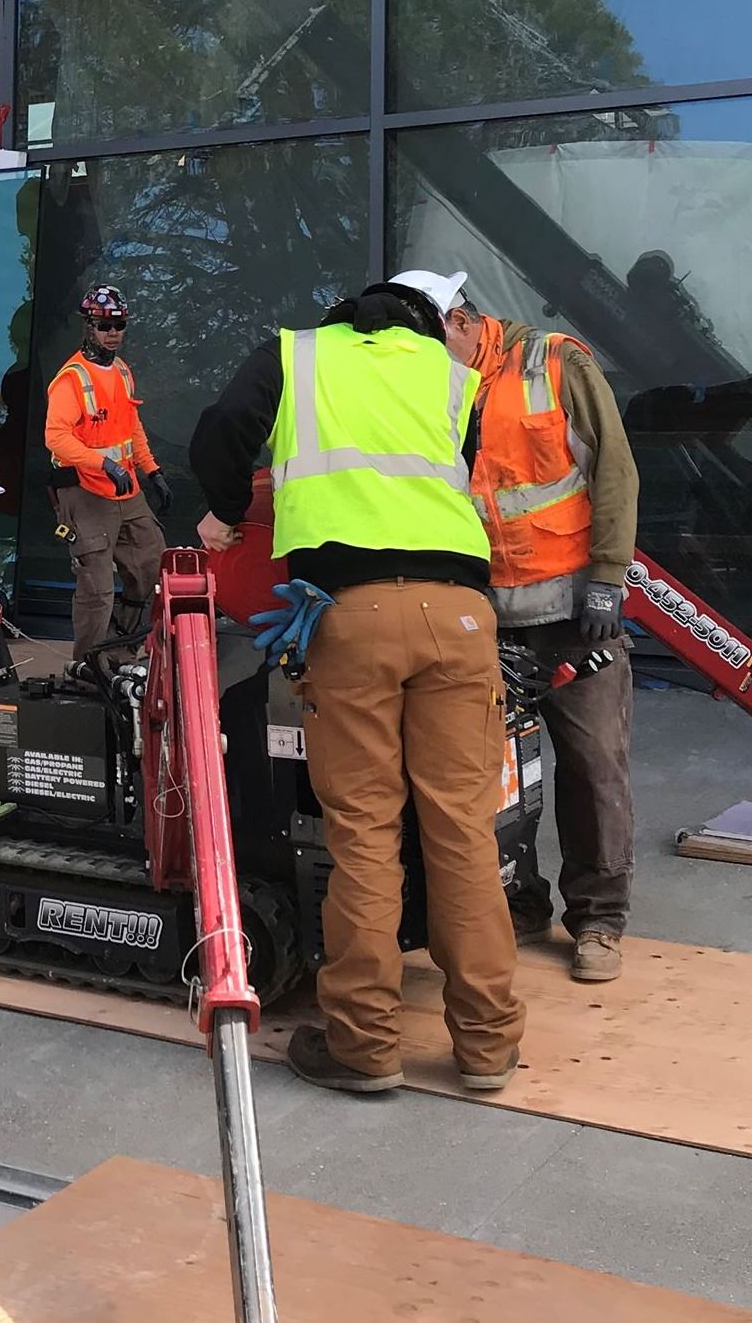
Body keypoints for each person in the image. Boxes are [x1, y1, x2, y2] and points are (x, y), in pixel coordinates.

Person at [190, 280, 525, 1096]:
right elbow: (455, 472)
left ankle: (366, 1047)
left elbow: (222, 432)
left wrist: (226, 511)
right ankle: (487, 1046)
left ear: (342, 318)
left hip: (351, 616)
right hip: (460, 616)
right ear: (425, 325)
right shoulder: (456, 376)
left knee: (365, 831)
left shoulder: (295, 355)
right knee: (463, 829)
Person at [392, 268, 639, 985]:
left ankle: (598, 919)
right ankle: (517, 900)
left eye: (428, 340)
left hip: (574, 617)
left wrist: (608, 577)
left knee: (593, 766)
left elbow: (615, 471)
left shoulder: (554, 363)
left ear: (460, 321)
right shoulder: (433, 387)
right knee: (496, 777)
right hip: (483, 618)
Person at [44, 286, 173, 671]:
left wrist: (152, 470)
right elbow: (56, 438)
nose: (113, 332)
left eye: (119, 325)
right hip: (85, 491)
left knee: (151, 569)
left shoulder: (122, 371)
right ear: (89, 326)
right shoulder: (71, 379)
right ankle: (88, 669)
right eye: (104, 326)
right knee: (97, 588)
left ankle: (119, 652)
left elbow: (131, 427)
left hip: (125, 489)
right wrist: (104, 465)